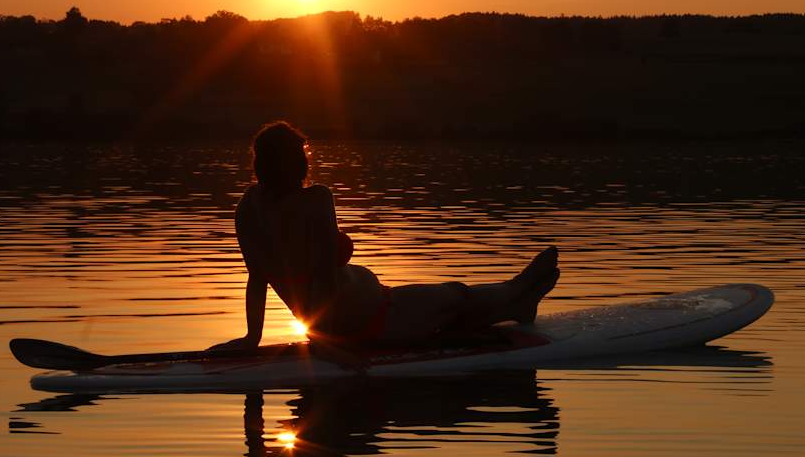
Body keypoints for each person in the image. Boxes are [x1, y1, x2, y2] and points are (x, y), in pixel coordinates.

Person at [209, 121, 559, 353]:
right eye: (300, 156)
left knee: (449, 304)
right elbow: (327, 277)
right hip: (370, 319)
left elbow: (258, 278)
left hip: (361, 314)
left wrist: (252, 339)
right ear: (290, 163)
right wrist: (328, 343)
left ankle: (518, 298)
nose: (305, 163)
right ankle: (517, 293)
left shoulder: (247, 209)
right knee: (455, 297)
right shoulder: (316, 198)